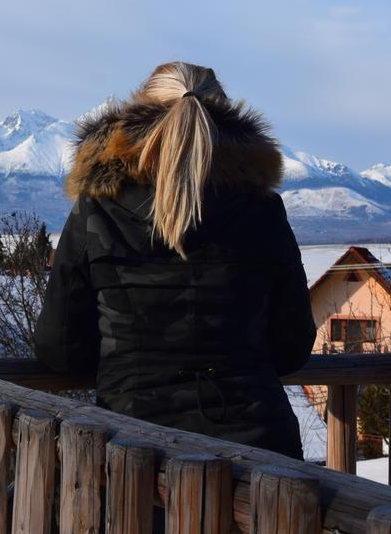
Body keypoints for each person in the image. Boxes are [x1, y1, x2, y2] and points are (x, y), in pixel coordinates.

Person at [33, 61, 316, 459]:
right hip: (259, 450)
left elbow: (60, 349)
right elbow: (291, 347)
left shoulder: (97, 210)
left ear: (138, 114)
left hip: (134, 449)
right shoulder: (263, 210)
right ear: (226, 116)